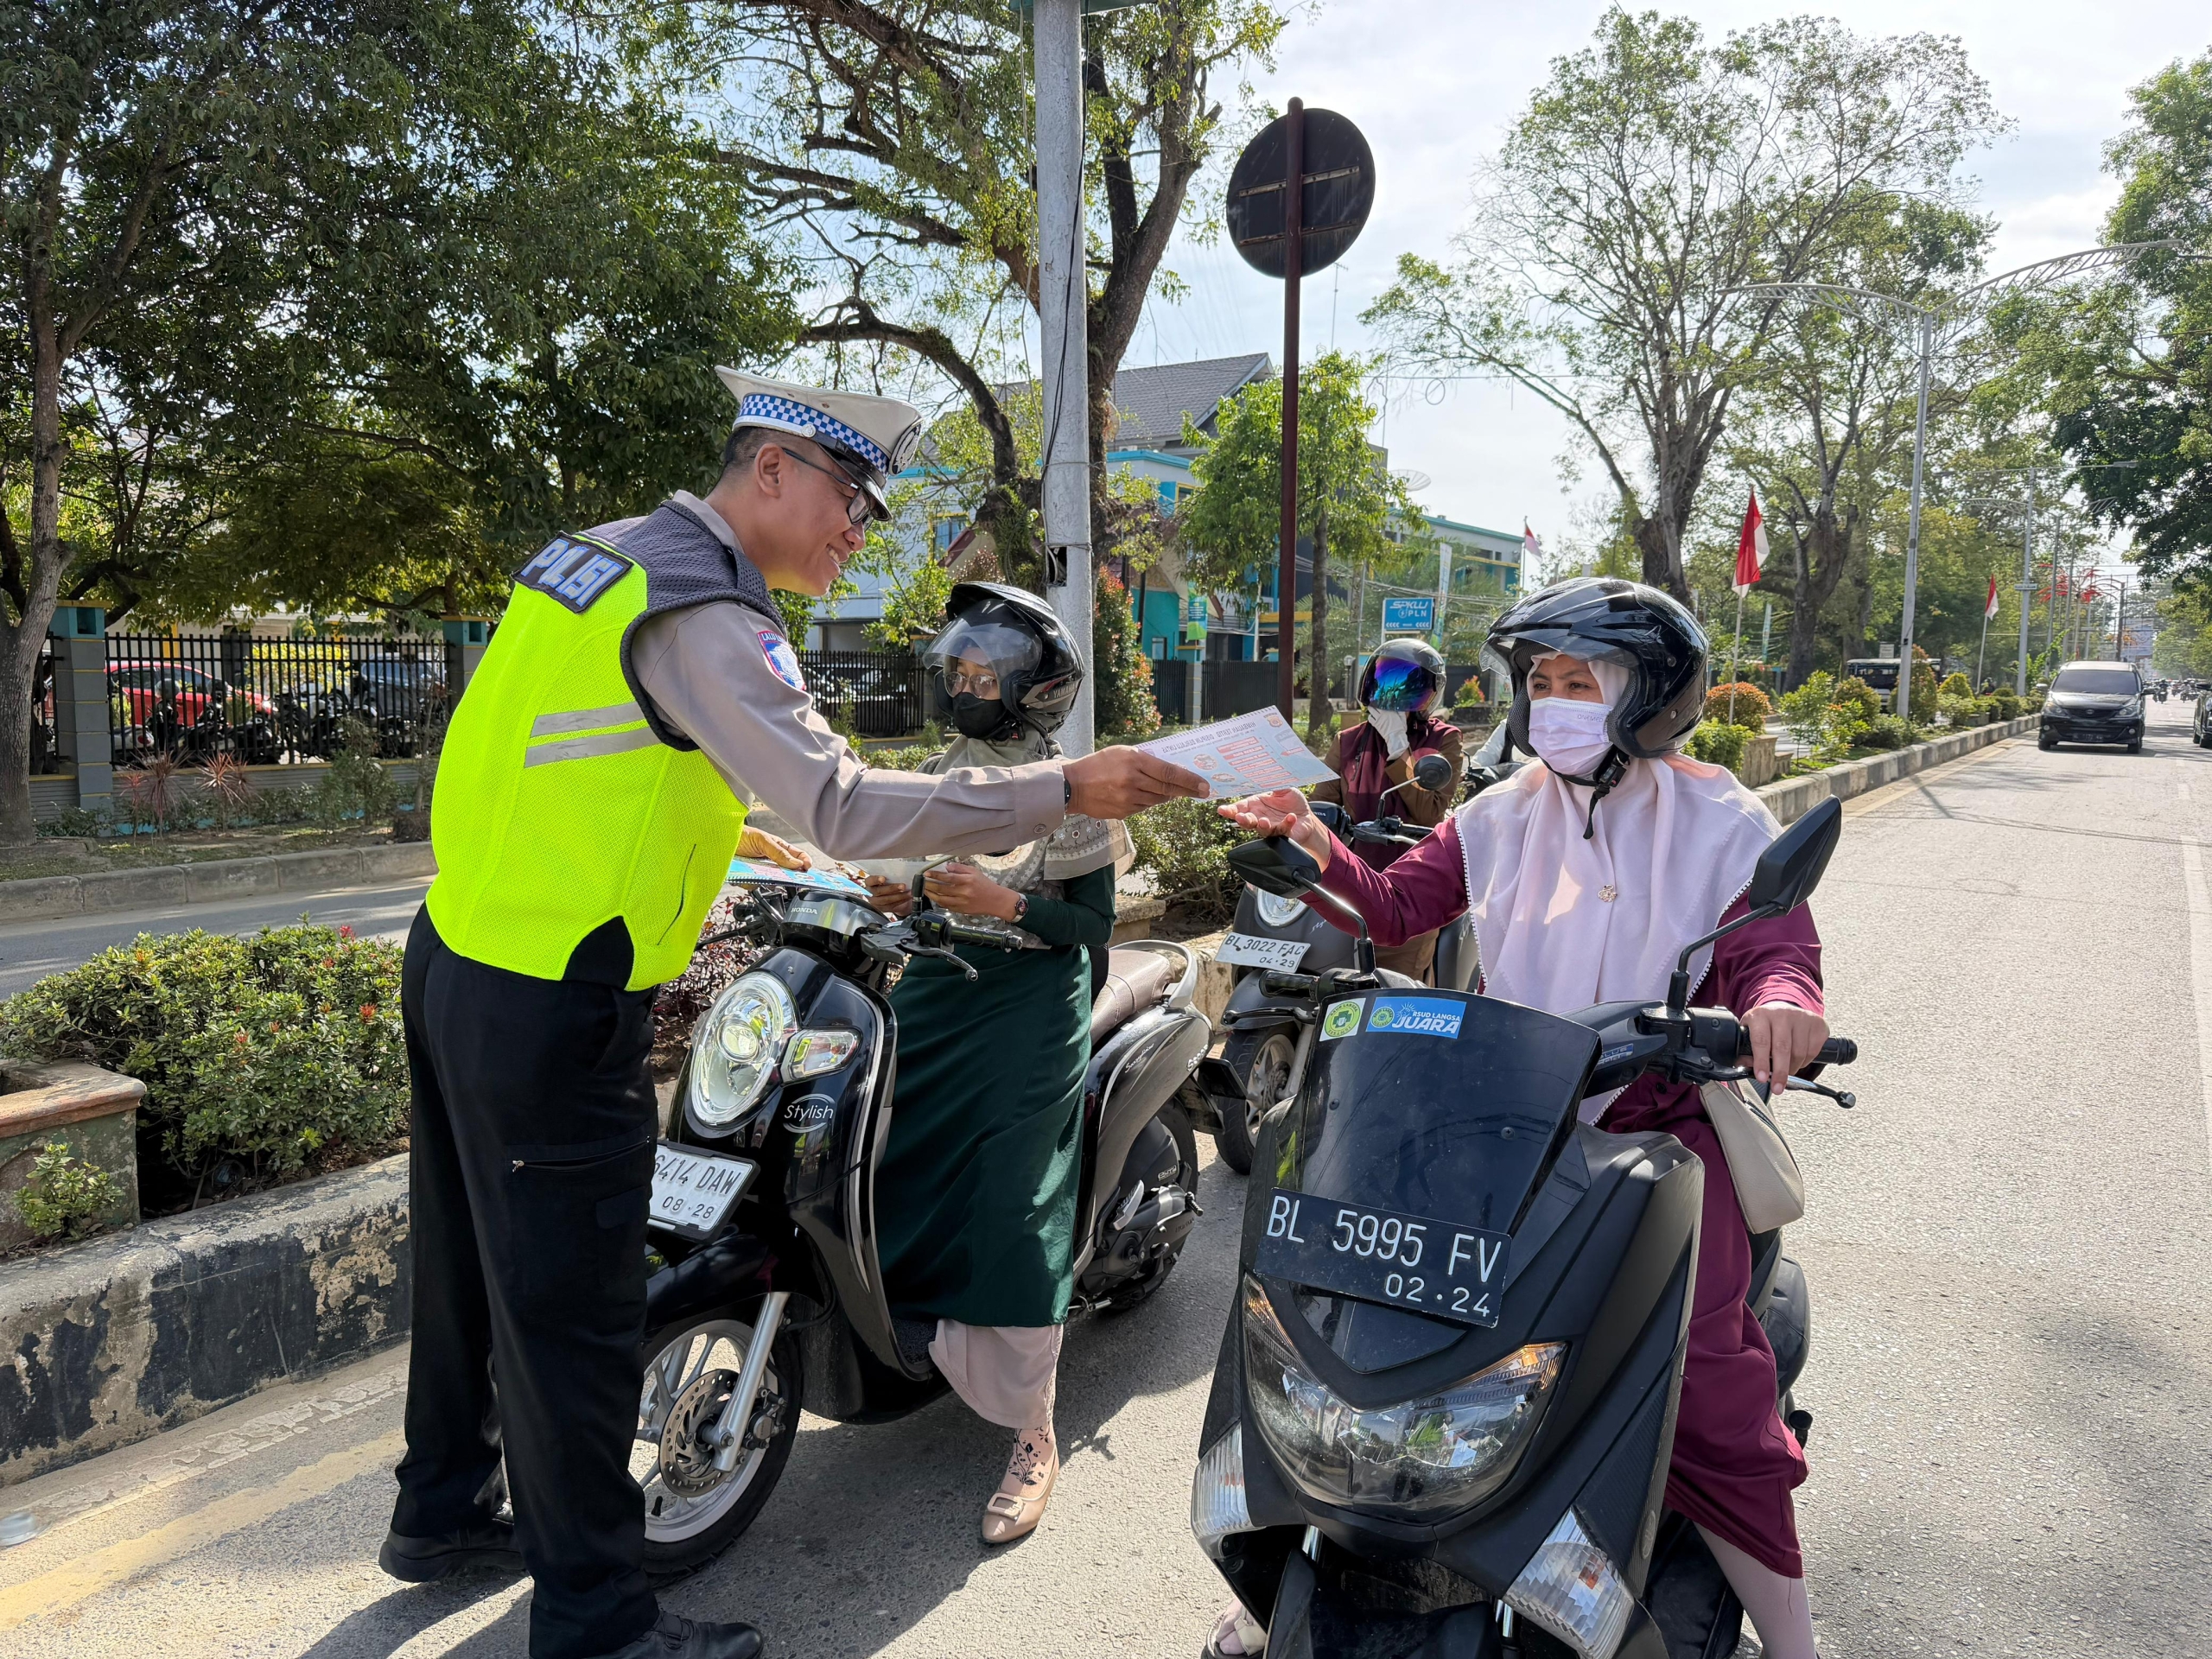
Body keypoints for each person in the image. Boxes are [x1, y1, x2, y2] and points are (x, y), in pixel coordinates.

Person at [385, 368, 1205, 1659]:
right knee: (577, 1312)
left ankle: (436, 1510)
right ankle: (597, 1627)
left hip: (461, 950)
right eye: (849, 499)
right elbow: (847, 802)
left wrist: (750, 833)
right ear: (769, 469)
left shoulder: (599, 559)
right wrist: (1069, 785)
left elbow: (603, 756)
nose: (859, 533)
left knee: (464, 1265)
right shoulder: (711, 606)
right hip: (554, 995)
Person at [1210, 577, 1831, 1659]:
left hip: (1661, 1126)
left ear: (1651, 696)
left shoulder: (1721, 817)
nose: (1554, 703)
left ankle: (1790, 1634)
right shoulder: (1497, 812)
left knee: (1708, 1380)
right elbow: (1397, 905)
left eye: (1579, 681)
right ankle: (1308, 1556)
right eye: (1540, 682)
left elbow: (1773, 950)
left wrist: (1781, 1005)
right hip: (1505, 1113)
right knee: (1362, 1328)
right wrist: (1311, 841)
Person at [859, 583, 1122, 1545]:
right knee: (880, 1161)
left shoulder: (1073, 791)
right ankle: (917, 1342)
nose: (966, 686)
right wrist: (892, 897)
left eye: (985, 675)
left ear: (1031, 691)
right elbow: (919, 894)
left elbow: (1093, 928)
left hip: (1025, 1009)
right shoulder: (937, 772)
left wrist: (1006, 906)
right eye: (959, 671)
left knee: (1013, 1209)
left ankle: (1033, 1433)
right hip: (931, 996)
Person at [1307, 637, 1464, 979]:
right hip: (1351, 878)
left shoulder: (1443, 741)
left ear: (1430, 695)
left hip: (1409, 888)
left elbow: (1429, 812)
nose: (1392, 696)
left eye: (1407, 686)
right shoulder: (1348, 742)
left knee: (1392, 986)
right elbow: (1320, 807)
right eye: (1385, 682)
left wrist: (1399, 748)